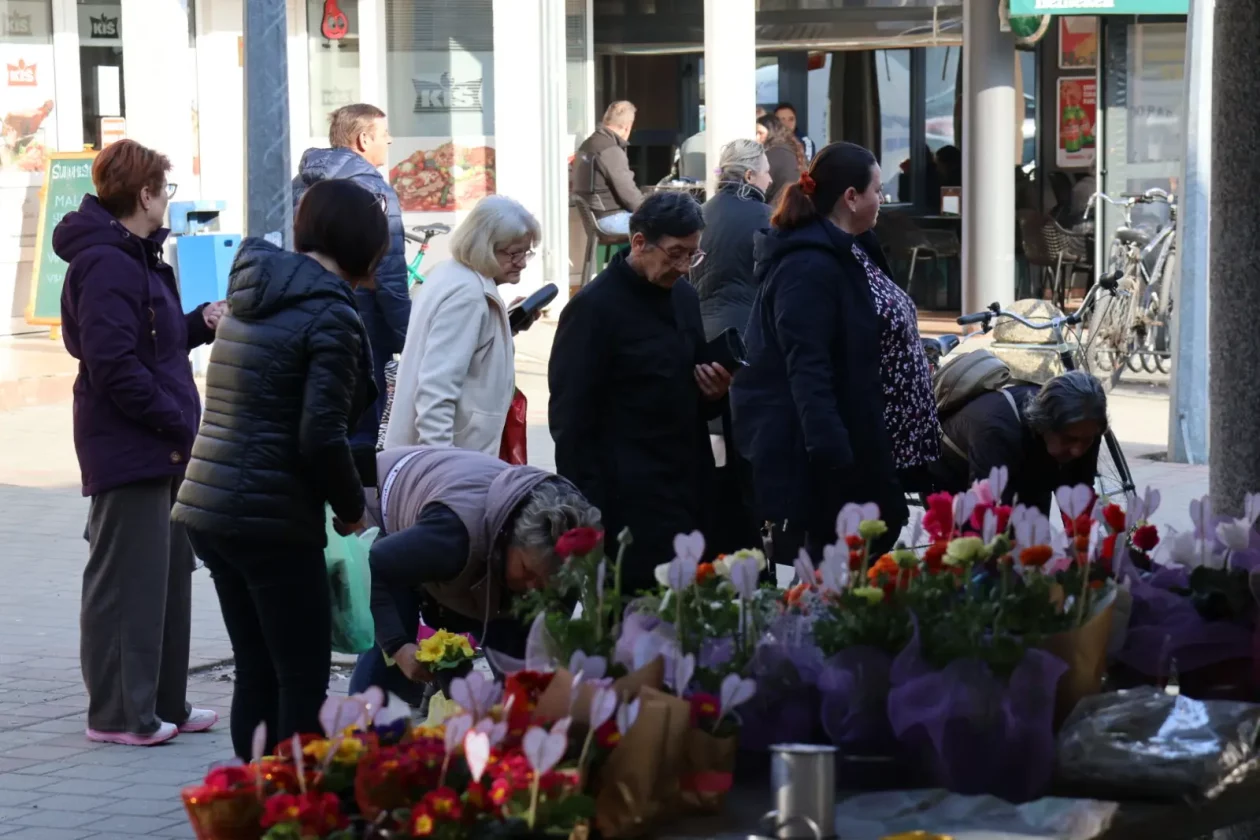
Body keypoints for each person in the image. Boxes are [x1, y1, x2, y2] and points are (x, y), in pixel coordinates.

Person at [171, 179, 386, 761]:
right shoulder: (330, 315)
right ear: (365, 244)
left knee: (258, 669)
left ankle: (255, 798)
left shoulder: (252, 293)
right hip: (269, 518)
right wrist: (349, 507)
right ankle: (294, 805)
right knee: (300, 677)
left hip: (210, 507)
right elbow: (320, 435)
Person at [56, 138, 222, 747]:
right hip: (131, 446)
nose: (167, 201)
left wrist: (197, 323)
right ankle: (120, 715)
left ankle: (163, 703)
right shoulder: (106, 262)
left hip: (162, 444)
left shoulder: (140, 256)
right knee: (127, 581)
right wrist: (173, 417)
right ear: (144, 195)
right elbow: (113, 363)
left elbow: (150, 340)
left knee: (167, 576)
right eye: (163, 190)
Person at [732, 142, 938, 566]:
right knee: (847, 551)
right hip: (838, 445)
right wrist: (832, 455)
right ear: (850, 197)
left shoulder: (854, 247)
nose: (882, 200)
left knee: (876, 535)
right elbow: (807, 366)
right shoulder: (807, 266)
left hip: (869, 433)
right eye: (877, 191)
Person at [549, 192, 733, 592]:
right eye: (675, 254)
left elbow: (693, 384)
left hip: (686, 487)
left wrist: (715, 392)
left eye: (693, 255)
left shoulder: (683, 297)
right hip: (625, 501)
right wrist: (589, 511)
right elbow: (570, 421)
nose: (684, 267)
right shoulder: (593, 309)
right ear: (639, 244)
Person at [348, 446, 601, 703]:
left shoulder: (561, 567)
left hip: (466, 547)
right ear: (509, 539)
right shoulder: (453, 537)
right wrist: (399, 648)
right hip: (385, 507)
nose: (534, 587)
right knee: (389, 665)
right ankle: (361, 730)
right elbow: (373, 568)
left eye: (548, 583)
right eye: (528, 571)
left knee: (520, 682)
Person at [293, 103, 408, 487]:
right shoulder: (374, 188)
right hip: (360, 318)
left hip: (305, 311)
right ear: (363, 139)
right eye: (383, 133)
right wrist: (406, 334)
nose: (389, 140)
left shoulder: (301, 183)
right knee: (359, 415)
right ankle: (355, 519)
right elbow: (388, 272)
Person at [382, 195, 539, 456]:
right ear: (484, 247)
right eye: (514, 253)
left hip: (456, 456)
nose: (522, 262)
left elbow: (468, 349)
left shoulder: (451, 273)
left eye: (526, 252)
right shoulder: (468, 294)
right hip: (457, 460)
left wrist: (506, 326)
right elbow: (436, 390)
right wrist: (444, 467)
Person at [689, 139, 773, 555]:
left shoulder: (699, 215)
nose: (772, 177)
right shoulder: (766, 218)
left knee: (712, 446)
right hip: (748, 344)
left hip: (702, 342)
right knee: (749, 454)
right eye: (767, 170)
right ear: (751, 175)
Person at [930, 371, 1105, 515]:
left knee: (1034, 541)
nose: (1078, 451)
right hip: (955, 472)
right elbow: (987, 513)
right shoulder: (996, 432)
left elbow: (1078, 496)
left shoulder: (1087, 426)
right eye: (1069, 439)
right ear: (1044, 426)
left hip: (1025, 458)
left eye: (1087, 440)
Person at [572, 101, 644, 236]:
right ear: (628, 126)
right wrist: (652, 209)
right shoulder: (610, 150)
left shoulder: (587, 145)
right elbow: (629, 195)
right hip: (610, 219)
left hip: (595, 218)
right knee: (666, 224)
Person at [757, 114, 806, 205]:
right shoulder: (791, 150)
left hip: (776, 211)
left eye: (760, 133)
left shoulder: (772, 154)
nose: (757, 138)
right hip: (792, 208)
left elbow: (760, 189)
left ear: (772, 132)